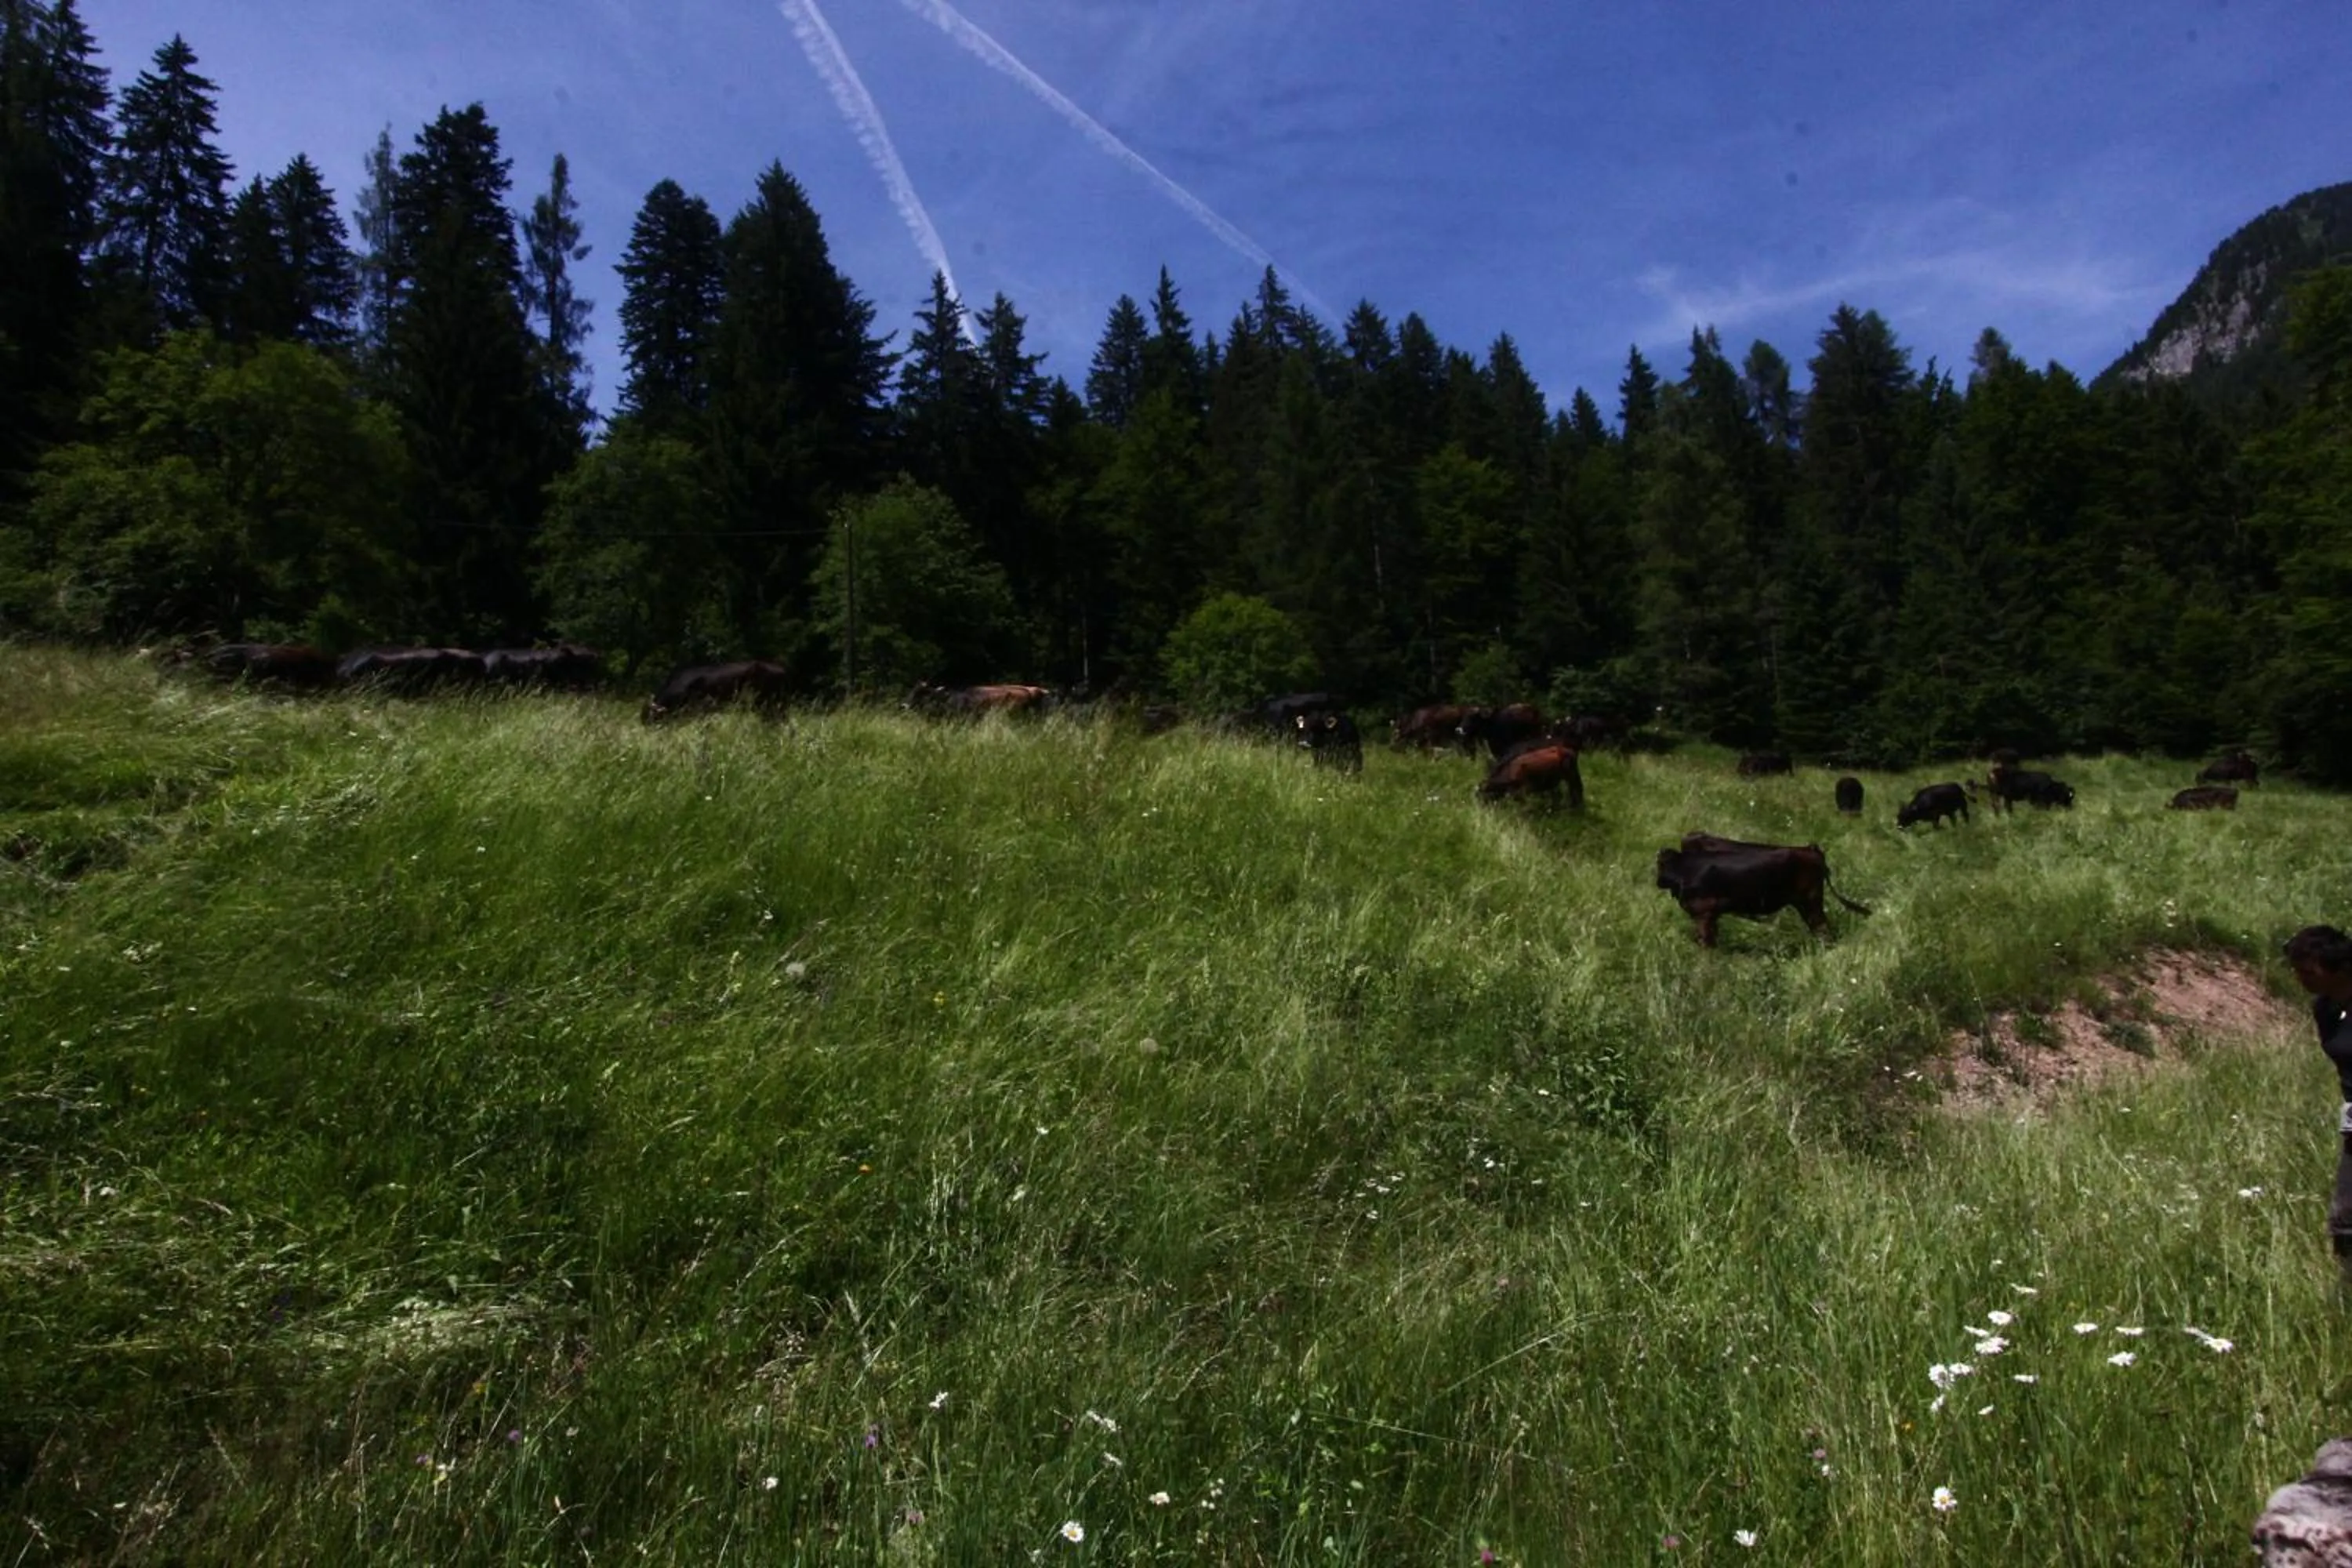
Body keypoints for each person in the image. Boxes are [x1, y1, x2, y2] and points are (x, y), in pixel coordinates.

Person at [2286, 924, 2352, 1276]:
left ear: (2340, 969)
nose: (2300, 979)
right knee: (2345, 1219)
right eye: (2296, 971)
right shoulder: (2325, 1010)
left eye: (2308, 972)